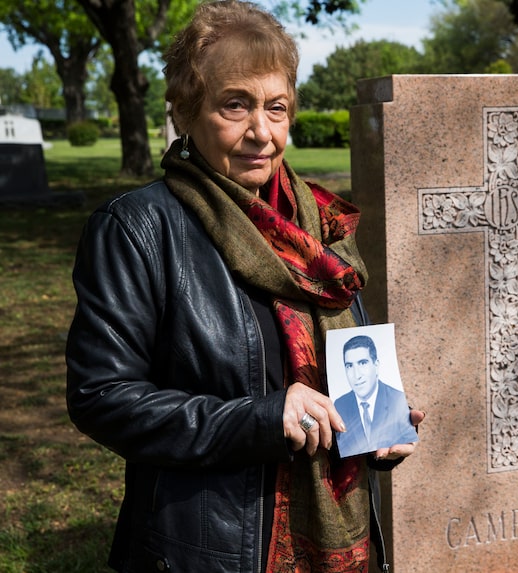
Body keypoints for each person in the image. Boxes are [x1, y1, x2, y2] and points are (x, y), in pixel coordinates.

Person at [64, 2, 423, 572]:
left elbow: (348, 366)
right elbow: (101, 396)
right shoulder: (137, 228)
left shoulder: (320, 227)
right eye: (236, 105)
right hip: (209, 547)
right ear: (186, 112)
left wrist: (378, 425)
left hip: (341, 544)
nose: (261, 131)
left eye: (276, 108)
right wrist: (259, 418)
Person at [334, 335, 419, 457]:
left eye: (363, 363)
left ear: (376, 365)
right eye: (349, 366)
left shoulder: (395, 399)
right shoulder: (340, 404)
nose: (356, 375)